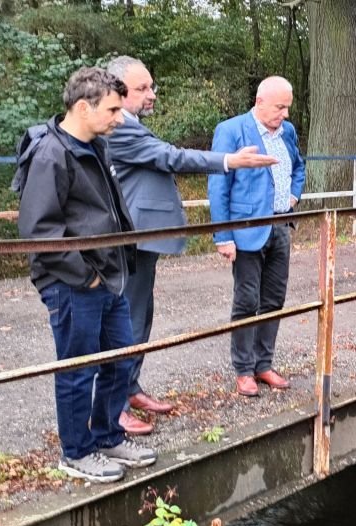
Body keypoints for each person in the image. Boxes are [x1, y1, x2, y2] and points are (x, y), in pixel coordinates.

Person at [104, 56, 279, 435]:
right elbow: (171, 157)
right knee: (128, 321)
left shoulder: (129, 125)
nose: (152, 94)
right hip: (132, 238)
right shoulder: (119, 128)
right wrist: (229, 160)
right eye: (142, 88)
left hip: (143, 239)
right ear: (116, 91)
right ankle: (112, 408)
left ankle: (130, 389)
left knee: (140, 317)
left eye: (151, 86)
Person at [14, 67, 157, 483]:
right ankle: (76, 452)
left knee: (117, 359)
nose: (119, 117)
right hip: (75, 283)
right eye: (112, 109)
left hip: (108, 274)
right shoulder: (50, 154)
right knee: (79, 369)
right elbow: (40, 232)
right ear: (83, 107)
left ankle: (108, 435)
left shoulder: (95, 144)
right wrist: (86, 275)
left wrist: (114, 265)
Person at [208, 76, 306, 397]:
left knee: (274, 300)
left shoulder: (287, 132)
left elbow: (299, 167)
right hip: (247, 230)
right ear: (260, 101)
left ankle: (264, 364)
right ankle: (243, 370)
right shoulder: (232, 130)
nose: (285, 114)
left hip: (280, 226)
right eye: (280, 107)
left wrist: (293, 195)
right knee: (247, 300)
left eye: (288, 107)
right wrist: (223, 236)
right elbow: (218, 186)